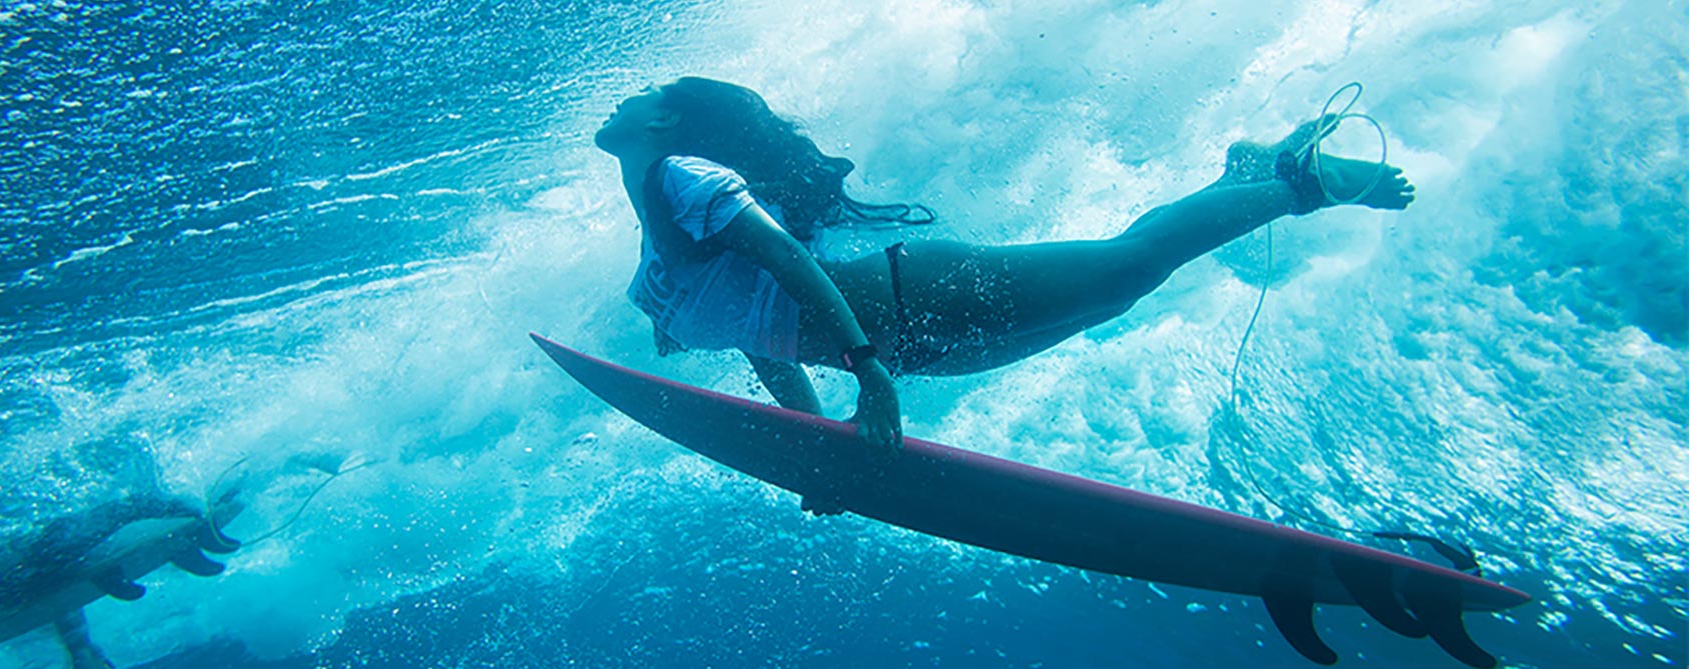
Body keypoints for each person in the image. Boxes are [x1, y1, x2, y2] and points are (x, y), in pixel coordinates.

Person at [593, 77, 1413, 449]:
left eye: (632, 99)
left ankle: (1297, 180)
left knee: (1129, 266)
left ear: (665, 121)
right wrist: (818, 445)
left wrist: (869, 377)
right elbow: (757, 331)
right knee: (1119, 287)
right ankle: (1242, 178)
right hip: (916, 346)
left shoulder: (681, 177)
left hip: (917, 303)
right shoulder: (657, 217)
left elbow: (787, 262)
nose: (616, 105)